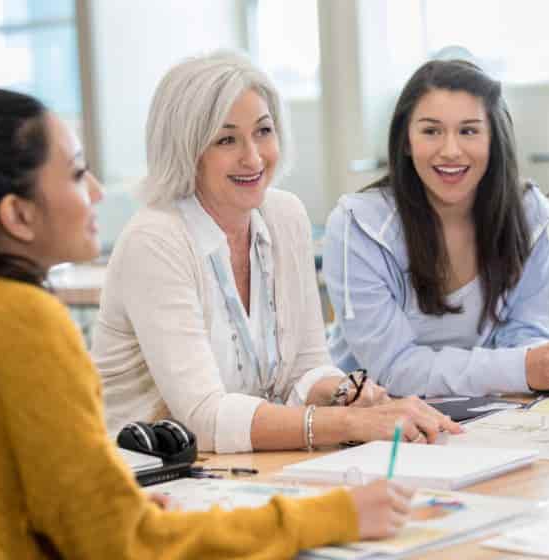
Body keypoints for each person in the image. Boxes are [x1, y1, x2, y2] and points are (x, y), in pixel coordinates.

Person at [0, 86, 414, 558]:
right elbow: (124, 546)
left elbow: (3, 500)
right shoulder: (20, 316)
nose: (95, 191)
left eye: (263, 132)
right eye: (75, 173)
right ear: (17, 216)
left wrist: (108, 508)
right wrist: (332, 515)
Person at [91, 50, 461, 453]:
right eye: (226, 139)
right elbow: (205, 417)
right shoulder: (156, 241)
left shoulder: (284, 215)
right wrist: (351, 420)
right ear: (186, 150)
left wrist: (346, 392)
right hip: (151, 475)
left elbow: (304, 367)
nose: (253, 157)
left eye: (263, 132)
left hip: (245, 468)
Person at [323, 59, 549, 397]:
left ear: (493, 139)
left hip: (484, 416)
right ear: (406, 140)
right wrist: (523, 368)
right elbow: (394, 370)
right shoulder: (359, 226)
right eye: (431, 131)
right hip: (369, 425)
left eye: (469, 130)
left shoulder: (531, 214)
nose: (451, 150)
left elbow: (528, 338)